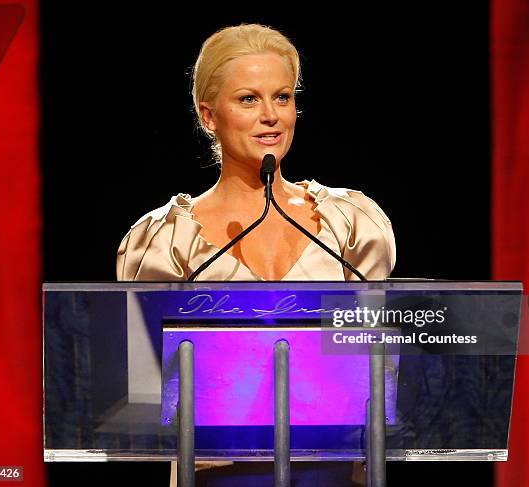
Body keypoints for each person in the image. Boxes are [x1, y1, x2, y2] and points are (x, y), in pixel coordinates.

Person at [116, 23, 395, 486]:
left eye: (282, 97)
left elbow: (375, 364)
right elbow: (146, 391)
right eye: (249, 99)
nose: (271, 116)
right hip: (214, 475)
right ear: (209, 116)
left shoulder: (351, 223)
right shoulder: (164, 239)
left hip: (328, 473)